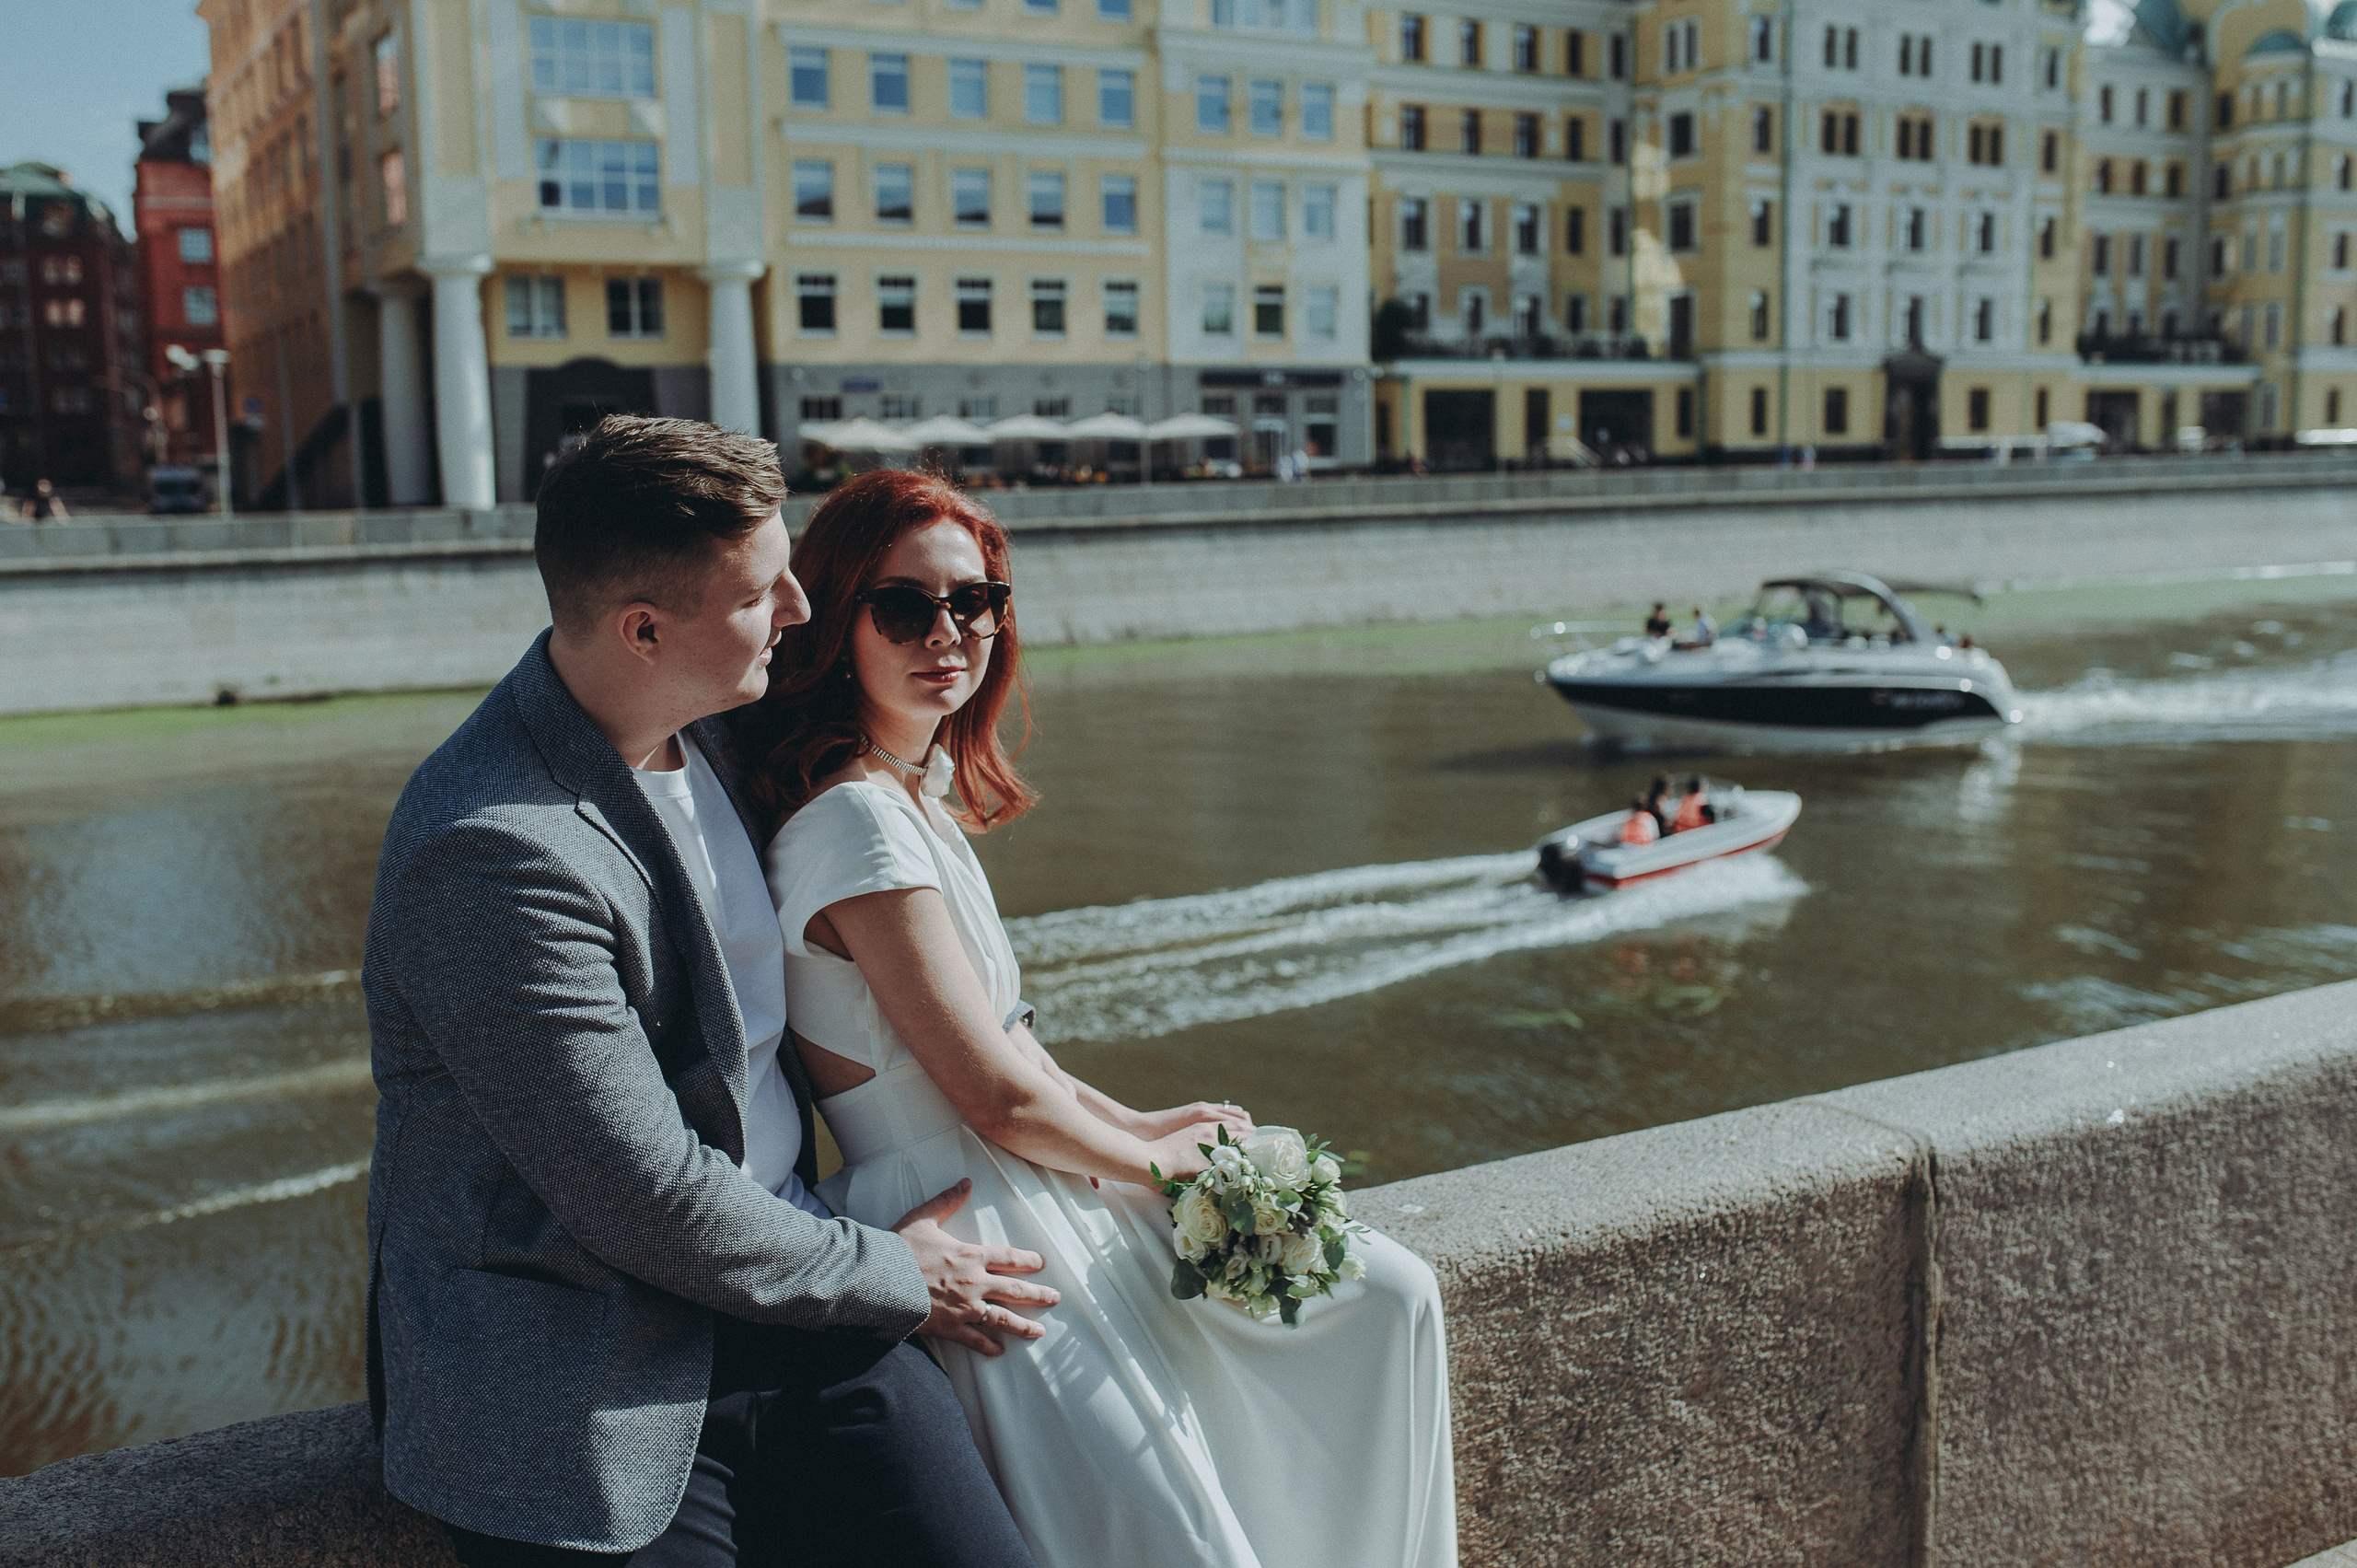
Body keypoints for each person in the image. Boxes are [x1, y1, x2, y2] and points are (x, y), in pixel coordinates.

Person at [732, 469, 1457, 1568]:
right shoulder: (855, 828)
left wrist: (1147, 1118)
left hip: (1020, 1185)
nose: (949, 632)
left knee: (1387, 1299)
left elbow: (1013, 1041)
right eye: (904, 606)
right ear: (837, 623)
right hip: (977, 1222)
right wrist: (1158, 1170)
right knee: (1163, 1532)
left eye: (974, 602)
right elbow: (990, 1092)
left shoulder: (904, 799)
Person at [364, 417, 1045, 1567]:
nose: (798, 607)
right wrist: (893, 1269)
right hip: (586, 1367)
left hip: (800, 1299)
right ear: (643, 630)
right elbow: (648, 1200)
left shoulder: (725, 732)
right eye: (761, 591)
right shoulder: (490, 849)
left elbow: (898, 760)